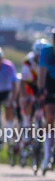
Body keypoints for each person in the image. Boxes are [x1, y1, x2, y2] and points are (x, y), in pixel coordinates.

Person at [35, 30, 55, 170]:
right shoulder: (47, 52)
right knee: (50, 116)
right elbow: (41, 75)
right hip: (50, 83)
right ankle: (47, 155)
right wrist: (41, 90)